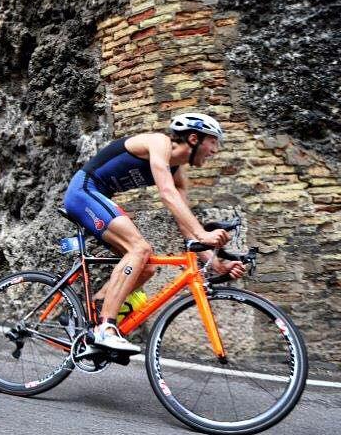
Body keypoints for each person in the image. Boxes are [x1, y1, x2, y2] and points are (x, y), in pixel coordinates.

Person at [62, 112, 245, 353]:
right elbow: (166, 194)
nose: (215, 150)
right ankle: (105, 328)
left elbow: (186, 229)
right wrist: (204, 234)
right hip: (83, 191)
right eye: (213, 141)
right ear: (194, 138)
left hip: (98, 198)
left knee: (146, 266)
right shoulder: (159, 143)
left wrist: (217, 265)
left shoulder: (178, 175)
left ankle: (88, 317)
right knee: (139, 249)